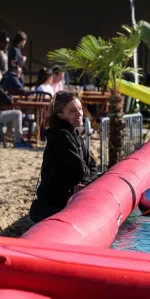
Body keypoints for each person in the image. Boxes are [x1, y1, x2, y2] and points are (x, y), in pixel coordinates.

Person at [30, 91, 97, 222]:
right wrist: (85, 176)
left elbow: (92, 166)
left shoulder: (74, 133)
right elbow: (79, 172)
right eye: (72, 111)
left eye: (80, 109)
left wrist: (85, 182)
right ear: (60, 114)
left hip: (63, 202)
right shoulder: (60, 136)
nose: (79, 114)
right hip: (50, 209)